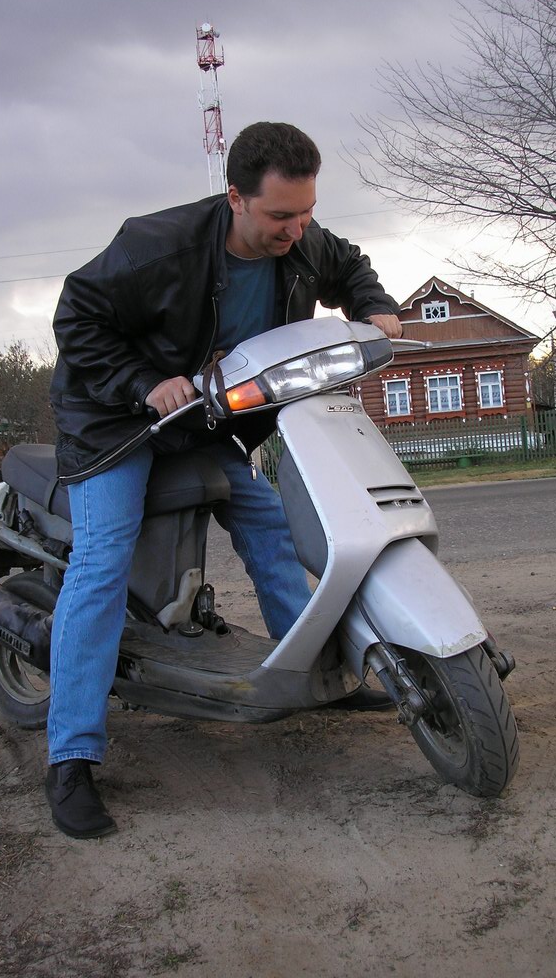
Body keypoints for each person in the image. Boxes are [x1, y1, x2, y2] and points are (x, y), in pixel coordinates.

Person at [45, 121, 402, 839]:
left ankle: (312, 675)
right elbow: (76, 315)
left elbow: (349, 265)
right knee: (103, 559)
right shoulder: (157, 246)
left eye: (307, 212)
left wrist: (374, 308)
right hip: (116, 421)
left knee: (275, 528)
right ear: (235, 197)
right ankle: (71, 755)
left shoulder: (301, 241)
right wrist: (144, 382)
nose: (297, 230)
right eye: (281, 216)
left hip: (200, 422)